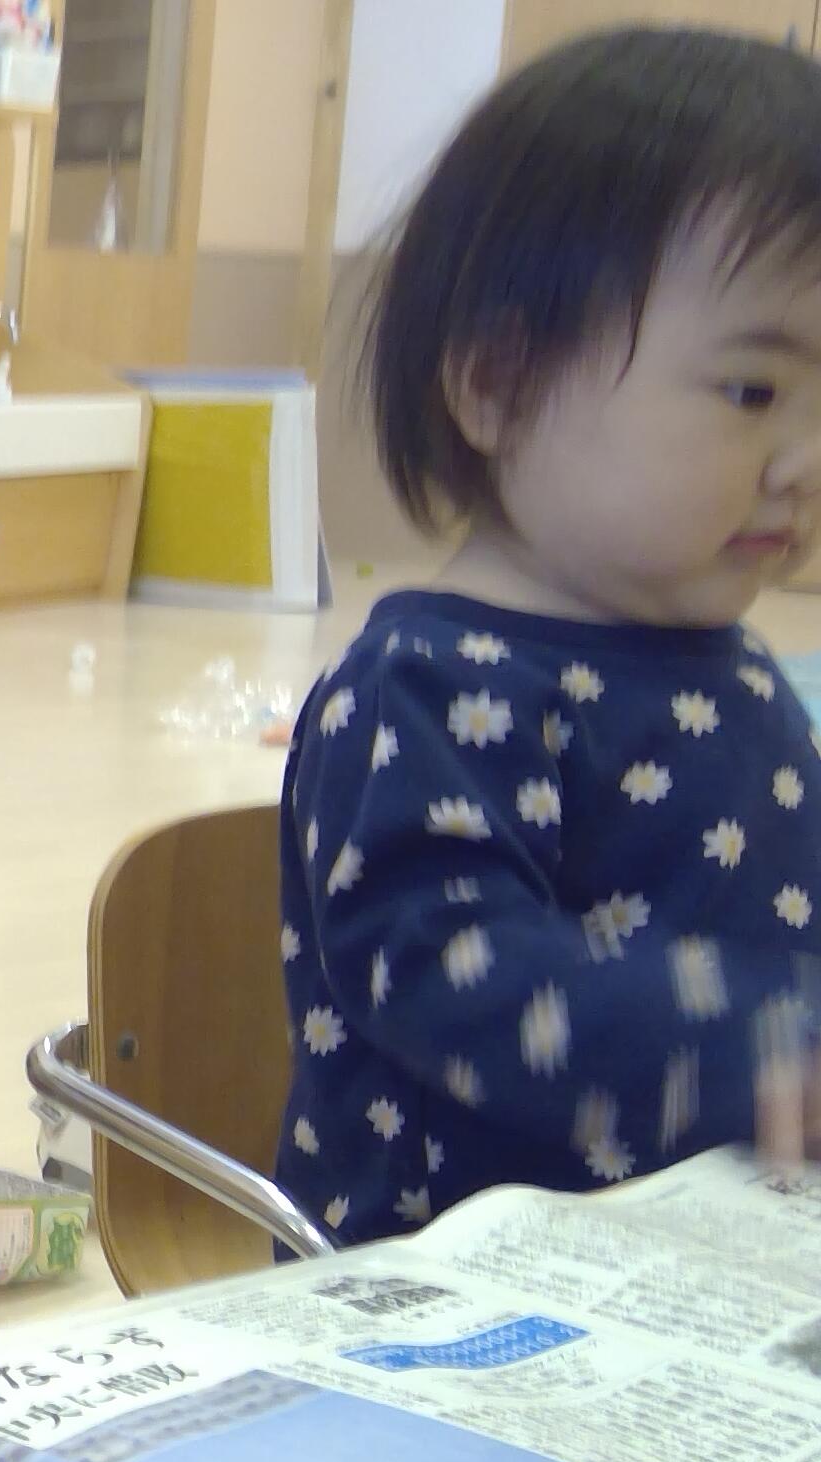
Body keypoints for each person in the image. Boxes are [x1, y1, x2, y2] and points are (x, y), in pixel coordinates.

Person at [280, 26, 821, 1245]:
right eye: (754, 392)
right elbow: (467, 985)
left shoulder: (735, 674)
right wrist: (765, 1043)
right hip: (447, 1307)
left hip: (714, 1268)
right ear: (498, 386)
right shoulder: (418, 694)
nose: (805, 460)